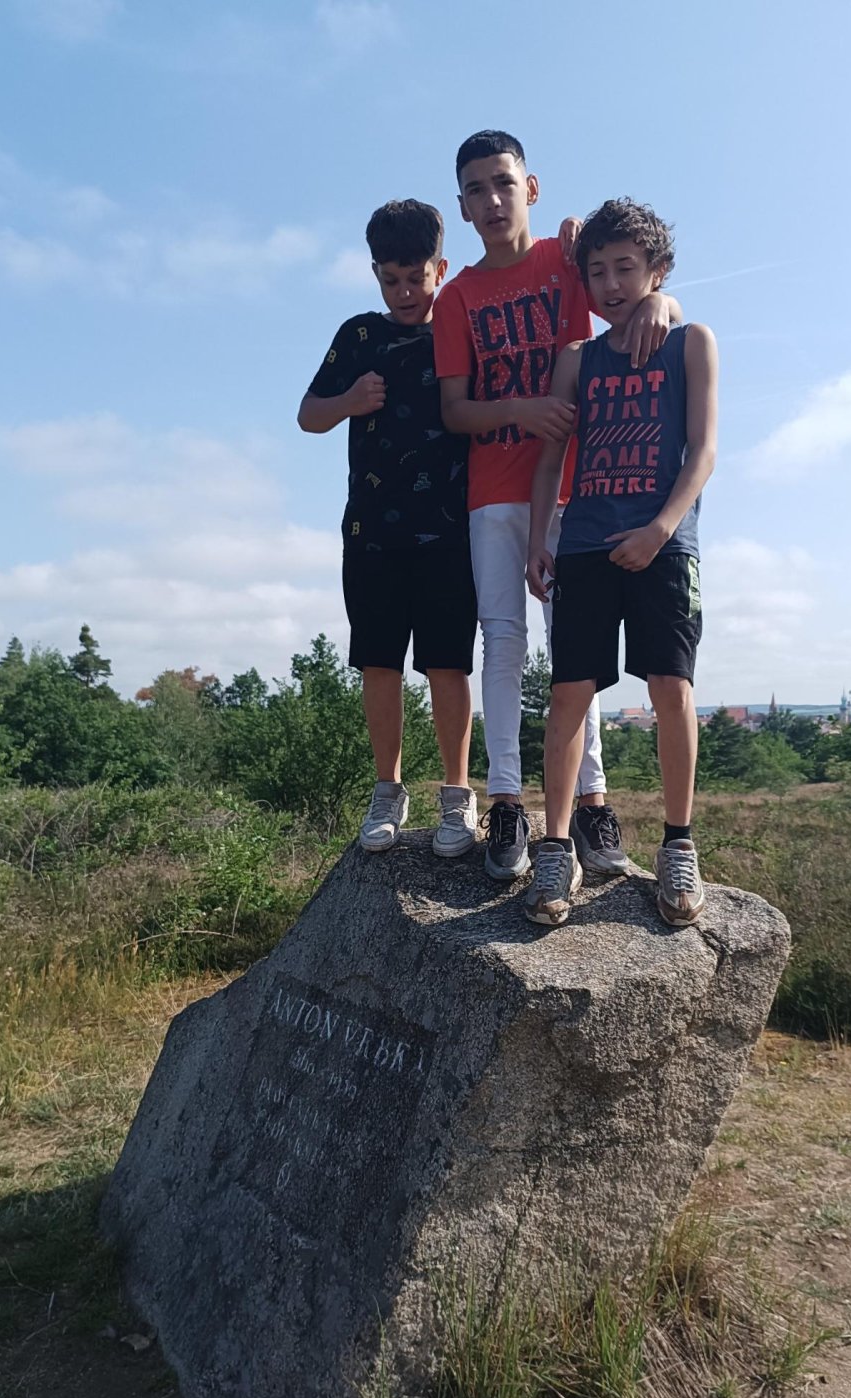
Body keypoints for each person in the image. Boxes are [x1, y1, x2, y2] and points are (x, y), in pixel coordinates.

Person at [434, 130, 681, 882]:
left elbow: (629, 295)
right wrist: (525, 407)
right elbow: (455, 410)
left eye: (503, 183)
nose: (492, 200)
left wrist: (663, 300)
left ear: (531, 188)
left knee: (577, 655)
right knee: (503, 642)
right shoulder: (458, 297)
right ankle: (507, 801)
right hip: (493, 491)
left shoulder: (568, 262)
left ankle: (592, 803)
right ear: (462, 205)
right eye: (475, 189)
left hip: (584, 489)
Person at [523, 198, 718, 928]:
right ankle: (554, 848)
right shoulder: (577, 360)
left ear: (657, 270)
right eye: (597, 271)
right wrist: (539, 540)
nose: (610, 284)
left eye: (626, 269)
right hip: (584, 545)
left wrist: (662, 529)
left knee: (671, 687)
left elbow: (703, 451)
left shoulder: (691, 341)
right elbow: (551, 461)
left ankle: (678, 844)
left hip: (664, 545)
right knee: (569, 695)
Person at [298, 199, 478, 857]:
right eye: (390, 279)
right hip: (371, 533)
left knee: (447, 664)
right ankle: (388, 790)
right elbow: (308, 415)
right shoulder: (358, 336)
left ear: (440, 269)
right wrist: (350, 401)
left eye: (416, 278)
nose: (403, 292)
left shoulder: (461, 330)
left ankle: (457, 795)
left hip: (450, 534)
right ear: (375, 273)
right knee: (379, 663)